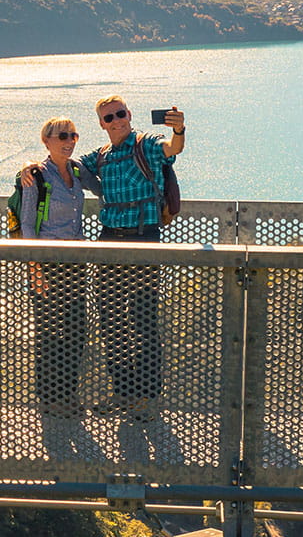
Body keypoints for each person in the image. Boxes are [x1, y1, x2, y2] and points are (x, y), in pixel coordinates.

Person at [29, 95, 186, 419]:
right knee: (111, 322)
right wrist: (31, 167)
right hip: (109, 241)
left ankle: (146, 399)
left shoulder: (147, 144)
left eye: (120, 114)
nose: (116, 121)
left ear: (129, 114)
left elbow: (173, 148)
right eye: (108, 118)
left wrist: (180, 129)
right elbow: (63, 164)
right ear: (101, 124)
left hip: (144, 238)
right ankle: (124, 393)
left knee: (143, 321)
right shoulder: (99, 157)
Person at [18, 117, 98, 416]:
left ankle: (68, 393)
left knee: (75, 330)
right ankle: (50, 398)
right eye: (62, 136)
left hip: (75, 263)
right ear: (46, 141)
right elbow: (27, 224)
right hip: (47, 264)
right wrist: (35, 270)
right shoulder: (36, 176)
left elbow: (104, 189)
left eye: (73, 135)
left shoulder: (77, 171)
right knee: (50, 333)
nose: (69, 140)